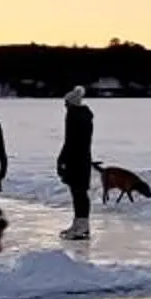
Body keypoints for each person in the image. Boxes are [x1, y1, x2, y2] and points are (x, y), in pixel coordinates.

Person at [56, 86, 95, 240]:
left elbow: (70, 141)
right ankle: (80, 223)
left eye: (66, 103)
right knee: (79, 192)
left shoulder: (74, 116)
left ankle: (82, 226)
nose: (65, 106)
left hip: (76, 159)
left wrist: (62, 159)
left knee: (78, 192)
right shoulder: (84, 116)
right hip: (83, 158)